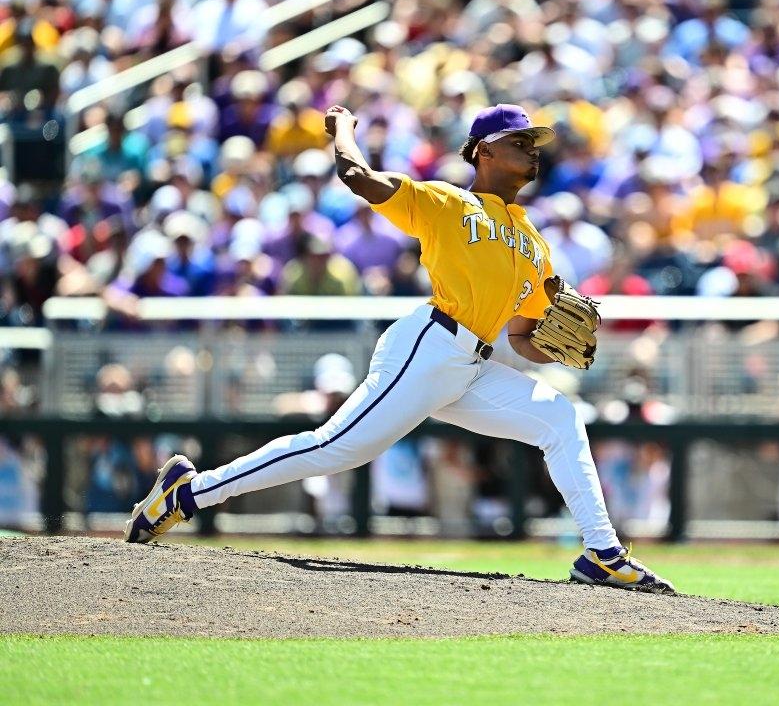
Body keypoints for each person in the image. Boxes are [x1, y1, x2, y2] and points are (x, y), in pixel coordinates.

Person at [124, 103, 673, 593]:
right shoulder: (447, 203)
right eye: (520, 142)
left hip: (474, 364)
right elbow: (358, 177)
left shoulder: (533, 240)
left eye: (535, 144)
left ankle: (602, 553)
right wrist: (342, 131)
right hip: (430, 345)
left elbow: (524, 338)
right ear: (485, 152)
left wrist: (556, 349)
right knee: (335, 449)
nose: (533, 152)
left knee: (560, 418)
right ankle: (188, 494)